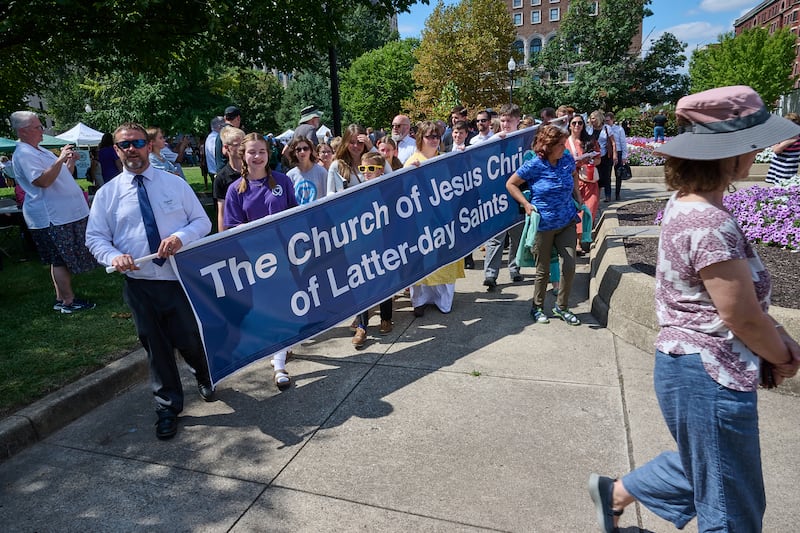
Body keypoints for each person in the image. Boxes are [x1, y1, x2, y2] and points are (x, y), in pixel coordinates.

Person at [587, 86, 800, 533]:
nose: (760, 149)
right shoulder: (708, 221)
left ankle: (616, 494)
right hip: (710, 372)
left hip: (692, 368)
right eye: (753, 141)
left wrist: (775, 337)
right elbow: (739, 316)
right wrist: (783, 356)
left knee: (713, 471)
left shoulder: (689, 204)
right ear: (732, 152)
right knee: (732, 510)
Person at [85, 122, 215, 440]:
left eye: (138, 142)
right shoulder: (108, 195)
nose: (132, 149)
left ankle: (203, 373)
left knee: (188, 338)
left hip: (178, 279)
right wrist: (113, 257)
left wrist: (181, 237)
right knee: (156, 348)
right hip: (140, 282)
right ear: (116, 150)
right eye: (125, 144)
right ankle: (167, 407)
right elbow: (95, 238)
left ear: (149, 146)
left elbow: (202, 221)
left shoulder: (174, 185)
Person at [223, 133, 298, 390]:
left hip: (284, 256)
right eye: (252, 152)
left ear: (269, 154)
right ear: (243, 155)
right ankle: (278, 354)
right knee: (266, 309)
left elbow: (295, 214)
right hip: (255, 261)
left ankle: (279, 362)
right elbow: (231, 227)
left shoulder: (283, 181)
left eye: (262, 152)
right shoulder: (236, 190)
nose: (257, 157)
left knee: (284, 306)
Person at [10, 111, 97, 313]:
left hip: (63, 214)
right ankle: (68, 301)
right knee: (59, 259)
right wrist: (59, 160)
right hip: (52, 216)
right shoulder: (24, 154)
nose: (42, 130)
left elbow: (61, 176)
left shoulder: (38, 150)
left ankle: (62, 298)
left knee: (59, 258)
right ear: (24, 131)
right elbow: (43, 181)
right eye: (38, 127)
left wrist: (69, 162)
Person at [505, 124, 582, 326]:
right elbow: (511, 184)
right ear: (548, 146)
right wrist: (526, 204)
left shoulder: (566, 159)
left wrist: (578, 195)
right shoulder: (535, 164)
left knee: (570, 265)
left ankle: (562, 307)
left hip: (567, 221)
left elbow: (574, 174)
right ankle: (537, 307)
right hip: (544, 224)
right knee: (543, 270)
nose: (564, 148)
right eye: (560, 144)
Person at [404, 121, 465, 316]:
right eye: (429, 136)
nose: (433, 140)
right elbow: (402, 193)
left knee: (443, 261)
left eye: (436, 136)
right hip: (421, 222)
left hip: (443, 219)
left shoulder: (445, 160)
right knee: (422, 261)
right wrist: (409, 173)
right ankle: (419, 301)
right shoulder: (412, 161)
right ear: (420, 138)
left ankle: (442, 301)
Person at [350, 152, 395, 347]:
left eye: (371, 169)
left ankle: (386, 318)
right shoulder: (355, 191)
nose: (366, 172)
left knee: (384, 282)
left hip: (384, 243)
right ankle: (362, 326)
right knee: (363, 285)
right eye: (363, 168)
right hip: (363, 245)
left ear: (381, 170)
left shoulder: (387, 188)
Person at [483, 104, 524, 289]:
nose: (506, 123)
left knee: (517, 236)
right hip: (497, 196)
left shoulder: (524, 140)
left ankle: (515, 269)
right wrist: (492, 141)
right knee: (495, 238)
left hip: (518, 195)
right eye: (503, 120)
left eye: (509, 120)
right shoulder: (492, 140)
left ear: (517, 120)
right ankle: (490, 274)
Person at [566, 114, 600, 255]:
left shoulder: (590, 141)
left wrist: (590, 161)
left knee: (589, 209)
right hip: (573, 182)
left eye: (580, 123)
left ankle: (581, 239)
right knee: (576, 211)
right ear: (569, 125)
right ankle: (577, 243)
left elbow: (598, 159)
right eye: (574, 123)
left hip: (589, 180)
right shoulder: (565, 142)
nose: (577, 126)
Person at [327, 124, 382, 193]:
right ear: (345, 143)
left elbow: (389, 172)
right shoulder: (336, 166)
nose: (356, 146)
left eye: (360, 142)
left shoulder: (372, 161)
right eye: (352, 142)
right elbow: (330, 193)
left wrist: (371, 147)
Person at [212, 126, 245, 232]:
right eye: (237, 145)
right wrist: (222, 238)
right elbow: (222, 212)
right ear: (226, 147)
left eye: (243, 144)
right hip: (236, 229)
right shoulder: (221, 178)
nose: (242, 148)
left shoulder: (254, 170)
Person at [286, 136, 327, 205]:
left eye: (305, 148)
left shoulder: (321, 172)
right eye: (298, 149)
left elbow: (327, 197)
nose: (302, 152)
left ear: (310, 150)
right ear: (294, 153)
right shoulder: (290, 176)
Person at [765, 112, 800, 184]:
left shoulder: (793, 137)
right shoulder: (786, 136)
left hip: (786, 169)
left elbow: (776, 150)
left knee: (784, 185)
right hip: (779, 166)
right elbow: (775, 148)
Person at [605, 111, 628, 201]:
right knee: (607, 175)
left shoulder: (619, 129)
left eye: (608, 120)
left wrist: (624, 156)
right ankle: (608, 195)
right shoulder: (604, 129)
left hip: (618, 152)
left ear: (612, 120)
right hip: (608, 153)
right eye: (605, 121)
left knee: (618, 174)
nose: (607, 122)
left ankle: (617, 193)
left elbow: (623, 142)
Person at [215, 106, 242, 172]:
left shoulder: (221, 131)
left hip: (221, 171)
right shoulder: (232, 133)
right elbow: (226, 152)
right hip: (230, 173)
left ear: (225, 118)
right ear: (238, 118)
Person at [204, 116, 225, 181]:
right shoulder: (215, 139)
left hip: (214, 172)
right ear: (220, 126)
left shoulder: (211, 137)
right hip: (218, 173)